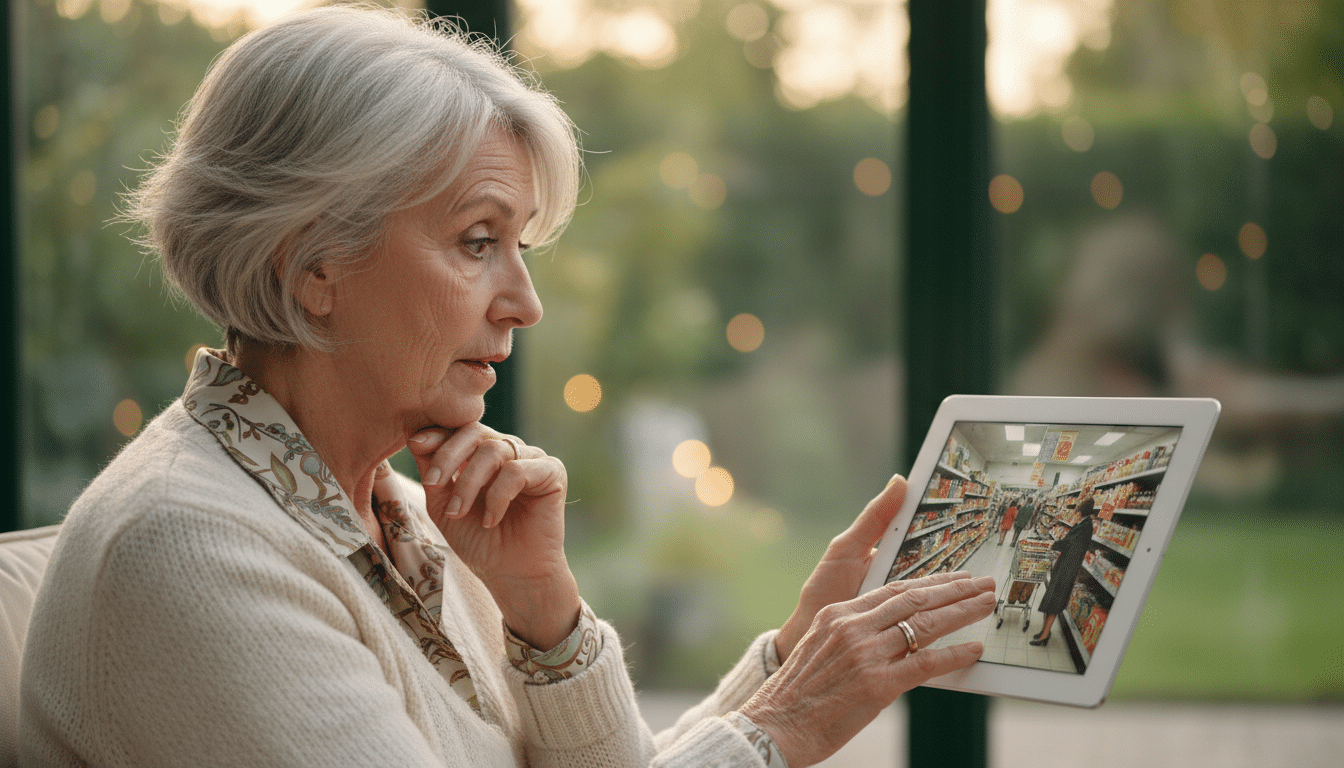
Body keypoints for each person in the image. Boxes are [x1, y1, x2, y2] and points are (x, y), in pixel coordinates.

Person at [18, 8, 997, 768]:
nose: (525, 303)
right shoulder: (189, 548)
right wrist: (779, 727)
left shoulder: (402, 516)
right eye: (478, 241)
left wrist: (553, 621)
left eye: (519, 246)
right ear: (312, 264)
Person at [1029, 496, 1099, 647]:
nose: (1074, 514)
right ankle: (1044, 631)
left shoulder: (1085, 526)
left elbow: (1069, 544)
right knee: (1051, 599)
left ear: (1080, 512)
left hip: (1067, 569)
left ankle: (1044, 636)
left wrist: (1053, 544)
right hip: (1064, 566)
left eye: (1076, 511)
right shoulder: (1084, 524)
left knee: (1054, 601)